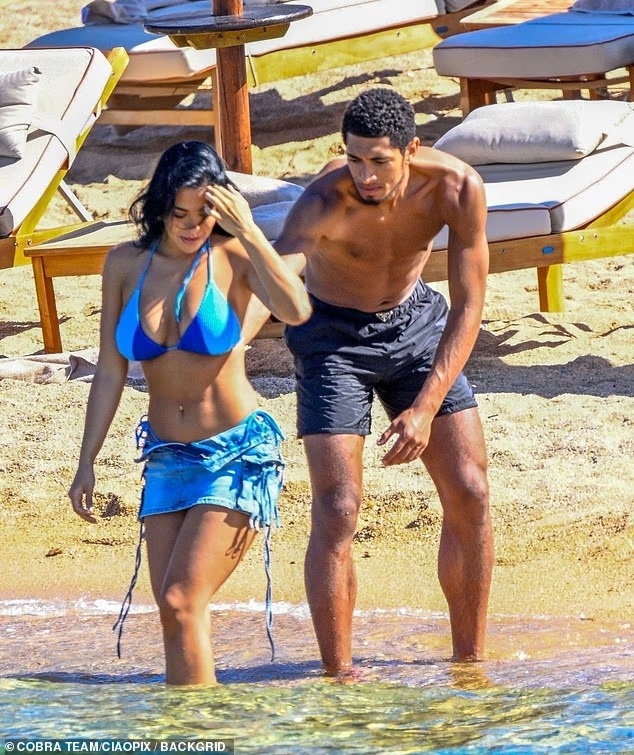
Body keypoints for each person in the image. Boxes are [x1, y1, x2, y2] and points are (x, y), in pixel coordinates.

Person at [68, 140, 312, 686]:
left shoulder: (233, 256)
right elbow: (109, 371)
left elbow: (297, 310)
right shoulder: (124, 264)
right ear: (161, 205)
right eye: (180, 214)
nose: (193, 226)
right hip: (166, 458)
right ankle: (192, 726)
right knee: (173, 611)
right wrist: (86, 461)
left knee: (181, 599)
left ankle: (198, 726)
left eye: (205, 214)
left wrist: (250, 231)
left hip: (236, 453)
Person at [273, 87, 494, 675]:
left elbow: (469, 305)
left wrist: (424, 408)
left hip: (414, 324)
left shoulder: (456, 187)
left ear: (411, 149)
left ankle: (469, 661)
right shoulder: (325, 198)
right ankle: (339, 676)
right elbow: (279, 278)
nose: (365, 176)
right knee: (339, 507)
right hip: (331, 337)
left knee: (470, 489)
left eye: (379, 161)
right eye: (354, 158)